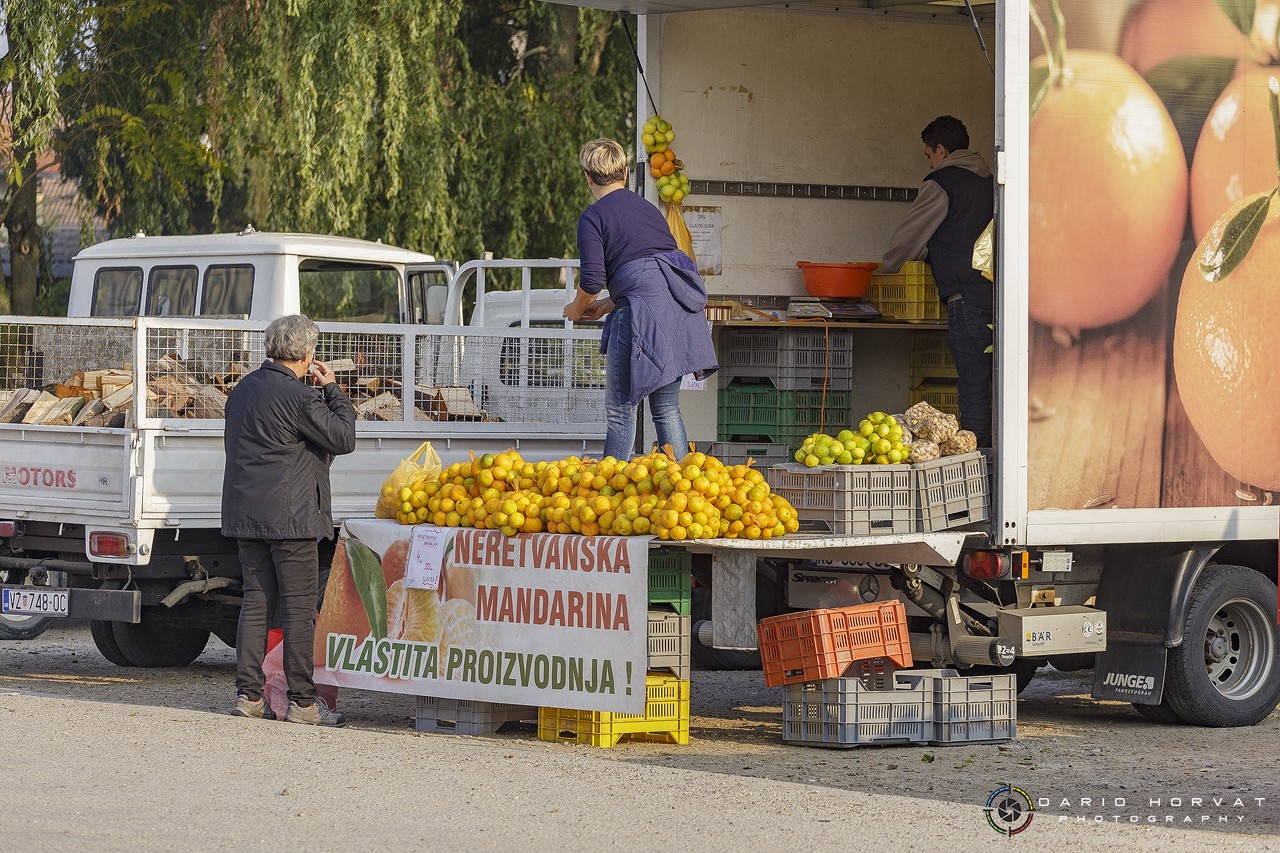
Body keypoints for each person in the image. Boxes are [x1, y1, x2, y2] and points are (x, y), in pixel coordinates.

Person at [223, 314, 356, 726]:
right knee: (299, 610)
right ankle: (302, 703)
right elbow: (343, 437)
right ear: (305, 354)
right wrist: (332, 388)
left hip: (247, 514)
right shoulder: (301, 397)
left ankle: (249, 696)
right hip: (293, 519)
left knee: (256, 602)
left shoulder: (242, 390)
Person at [564, 137, 718, 461]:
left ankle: (613, 491)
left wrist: (576, 309)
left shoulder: (593, 217)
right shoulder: (647, 208)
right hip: (676, 309)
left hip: (640, 315)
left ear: (588, 178)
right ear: (623, 173)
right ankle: (680, 485)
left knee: (621, 411)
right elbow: (648, 271)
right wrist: (607, 305)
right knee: (666, 409)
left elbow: (592, 281)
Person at [882, 115, 995, 447]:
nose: (930, 161)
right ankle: (996, 463)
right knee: (998, 384)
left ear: (941, 151)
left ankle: (980, 465)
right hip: (997, 295)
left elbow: (908, 240)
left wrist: (888, 272)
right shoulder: (991, 180)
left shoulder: (943, 182)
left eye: (929, 154)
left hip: (965, 299)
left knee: (973, 384)